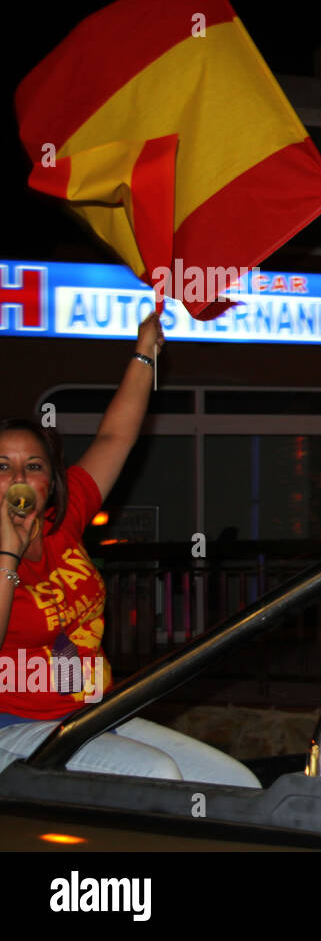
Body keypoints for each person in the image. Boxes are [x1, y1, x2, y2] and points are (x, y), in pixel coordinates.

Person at [0, 316, 258, 786]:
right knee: (157, 776)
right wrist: (7, 555)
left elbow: (114, 438)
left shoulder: (64, 518)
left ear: (47, 480)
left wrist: (145, 353)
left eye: (32, 465)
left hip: (94, 712)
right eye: (2, 466)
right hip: (14, 728)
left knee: (234, 782)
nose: (18, 476)